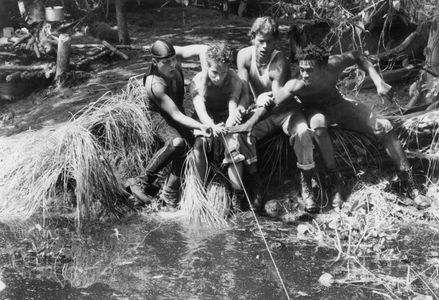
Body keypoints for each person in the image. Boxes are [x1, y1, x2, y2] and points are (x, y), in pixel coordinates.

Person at [272, 43, 427, 208]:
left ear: (323, 67)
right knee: (318, 125)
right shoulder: (296, 83)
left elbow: (359, 56)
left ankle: (409, 183)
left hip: (338, 106)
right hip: (316, 111)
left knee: (385, 126)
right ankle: (335, 182)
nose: (304, 74)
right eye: (302, 69)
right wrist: (250, 117)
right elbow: (273, 104)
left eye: (310, 70)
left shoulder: (334, 64)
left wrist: (378, 81)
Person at [231, 16, 316, 212]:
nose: (265, 46)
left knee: (303, 132)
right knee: (243, 134)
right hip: (261, 112)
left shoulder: (279, 62)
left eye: (270, 41)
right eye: (261, 41)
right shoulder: (243, 56)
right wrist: (240, 108)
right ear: (252, 38)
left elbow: (278, 101)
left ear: (276, 41)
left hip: (284, 112)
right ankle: (256, 184)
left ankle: (306, 187)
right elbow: (243, 91)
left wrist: (260, 103)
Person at [125, 40, 210, 211]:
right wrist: (201, 126)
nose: (172, 64)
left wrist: (206, 75)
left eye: (174, 59)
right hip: (158, 116)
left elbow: (204, 49)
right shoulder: (154, 84)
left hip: (177, 110)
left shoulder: (172, 55)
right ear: (155, 62)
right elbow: (175, 115)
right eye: (166, 62)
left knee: (191, 148)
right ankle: (141, 180)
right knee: (177, 143)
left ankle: (169, 195)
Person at [191, 43, 254, 211]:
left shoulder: (234, 79)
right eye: (214, 73)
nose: (218, 77)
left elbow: (232, 105)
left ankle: (237, 193)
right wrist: (211, 126)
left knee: (233, 146)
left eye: (223, 72)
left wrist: (228, 125)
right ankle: (200, 190)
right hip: (205, 119)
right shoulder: (197, 82)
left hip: (226, 116)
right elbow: (201, 111)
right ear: (207, 67)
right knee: (200, 144)